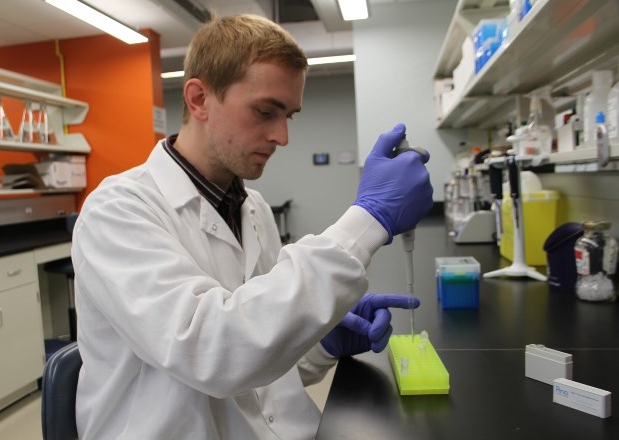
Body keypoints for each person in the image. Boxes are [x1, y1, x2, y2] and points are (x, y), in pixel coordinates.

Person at [72, 13, 433, 440]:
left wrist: (320, 343)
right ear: (198, 99)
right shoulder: (117, 212)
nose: (281, 136)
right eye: (265, 111)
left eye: (289, 116)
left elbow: (257, 355)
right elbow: (212, 352)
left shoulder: (252, 208)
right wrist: (367, 219)